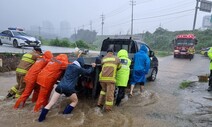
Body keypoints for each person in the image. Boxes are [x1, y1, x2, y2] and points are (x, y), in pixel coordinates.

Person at [38, 57, 96, 122]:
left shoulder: (69, 66)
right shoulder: (78, 68)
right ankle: (65, 115)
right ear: (81, 64)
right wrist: (93, 66)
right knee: (75, 101)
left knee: (51, 103)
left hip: (60, 86)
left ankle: (40, 120)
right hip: (69, 88)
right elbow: (88, 72)